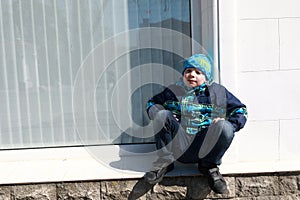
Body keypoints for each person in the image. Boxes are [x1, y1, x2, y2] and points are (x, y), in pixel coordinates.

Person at [143, 54, 248, 194]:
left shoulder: (218, 92)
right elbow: (152, 103)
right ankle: (165, 163)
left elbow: (240, 110)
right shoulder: (172, 91)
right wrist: (159, 112)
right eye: (188, 71)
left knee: (225, 127)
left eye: (198, 72)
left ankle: (210, 167)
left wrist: (229, 123)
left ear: (207, 77)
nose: (192, 75)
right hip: (179, 144)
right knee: (162, 115)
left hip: (205, 145)